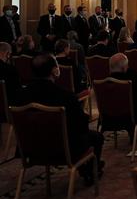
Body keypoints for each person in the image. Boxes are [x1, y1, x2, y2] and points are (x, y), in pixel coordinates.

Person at [20, 54, 105, 185]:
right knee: (97, 137)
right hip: (62, 149)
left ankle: (90, 167)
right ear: (55, 70)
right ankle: (90, 171)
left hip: (31, 149)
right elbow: (81, 125)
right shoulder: (65, 96)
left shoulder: (21, 96)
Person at [109, 53, 137, 133]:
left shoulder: (104, 83)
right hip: (131, 117)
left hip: (109, 118)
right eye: (127, 65)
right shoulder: (130, 80)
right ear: (123, 68)